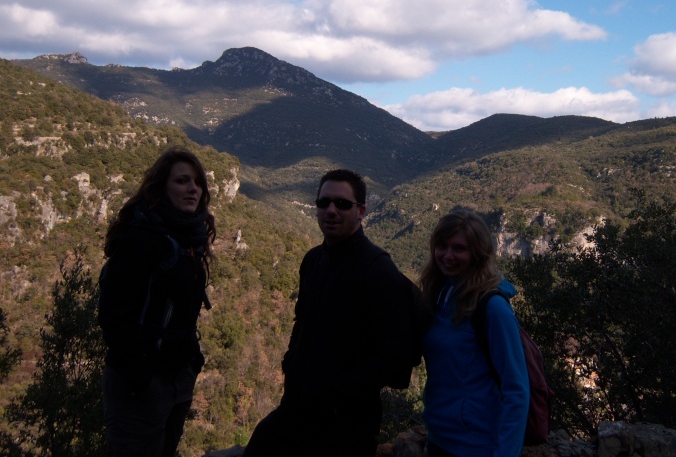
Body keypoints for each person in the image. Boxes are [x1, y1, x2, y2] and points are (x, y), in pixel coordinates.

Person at [243, 168, 418, 457]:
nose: (331, 210)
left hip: (346, 427)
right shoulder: (312, 260)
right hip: (296, 411)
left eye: (342, 204)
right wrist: (292, 363)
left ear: (361, 211)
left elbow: (396, 365)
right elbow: (302, 322)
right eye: (323, 203)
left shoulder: (379, 272)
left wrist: (334, 390)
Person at [98, 146, 215, 457]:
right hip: (140, 386)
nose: (193, 188)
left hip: (177, 378)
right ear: (161, 186)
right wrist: (140, 377)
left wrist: (192, 361)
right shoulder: (140, 239)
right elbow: (114, 316)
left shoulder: (189, 238)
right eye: (182, 181)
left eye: (197, 182)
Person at [418, 209, 529, 456]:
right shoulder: (439, 294)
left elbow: (517, 389)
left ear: (477, 254)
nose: (448, 255)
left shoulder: (493, 308)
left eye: (459, 248)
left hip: (477, 446)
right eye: (442, 246)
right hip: (439, 439)